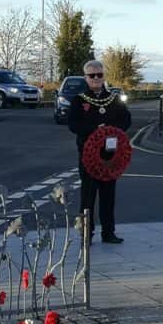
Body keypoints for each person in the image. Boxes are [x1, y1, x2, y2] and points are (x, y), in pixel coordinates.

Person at [67, 59, 131, 244]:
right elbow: (73, 124)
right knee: (88, 195)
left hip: (110, 155)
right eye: (92, 75)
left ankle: (108, 232)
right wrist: (95, 129)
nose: (96, 78)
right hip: (88, 157)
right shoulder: (79, 101)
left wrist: (110, 130)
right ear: (86, 78)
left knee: (108, 195)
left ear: (104, 76)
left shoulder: (114, 100)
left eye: (99, 75)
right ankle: (86, 234)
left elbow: (126, 120)